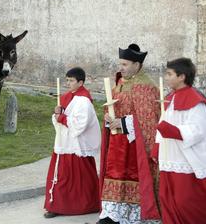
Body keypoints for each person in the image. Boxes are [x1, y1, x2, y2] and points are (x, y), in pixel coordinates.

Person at [98, 44, 161, 223]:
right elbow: (114, 106)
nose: (121, 68)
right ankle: (112, 214)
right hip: (118, 142)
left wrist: (124, 123)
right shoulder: (120, 83)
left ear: (136, 65)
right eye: (120, 64)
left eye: (125, 65)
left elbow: (149, 119)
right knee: (114, 175)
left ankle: (134, 215)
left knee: (133, 176)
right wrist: (109, 118)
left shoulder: (146, 86)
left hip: (135, 145)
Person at [43, 67, 101, 218]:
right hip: (65, 142)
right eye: (67, 80)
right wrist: (57, 114)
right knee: (62, 175)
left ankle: (85, 204)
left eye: (71, 80)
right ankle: (57, 205)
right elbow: (62, 118)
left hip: (76, 145)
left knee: (75, 176)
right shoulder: (66, 96)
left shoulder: (84, 101)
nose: (68, 83)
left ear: (80, 82)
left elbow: (80, 124)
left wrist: (61, 117)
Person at [154, 57, 206, 224]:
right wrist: (157, 147)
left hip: (186, 159)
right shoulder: (170, 98)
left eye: (169, 74)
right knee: (166, 198)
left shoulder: (196, 101)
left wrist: (175, 131)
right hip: (168, 156)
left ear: (182, 76)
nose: (166, 77)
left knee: (185, 201)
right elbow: (162, 125)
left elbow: (199, 129)